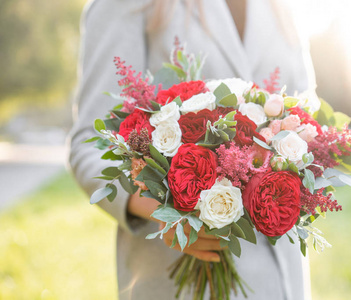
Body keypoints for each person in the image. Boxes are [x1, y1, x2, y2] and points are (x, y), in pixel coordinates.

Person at [69, 0, 316, 299]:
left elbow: (307, 118)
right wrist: (169, 214)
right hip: (177, 277)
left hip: (280, 280)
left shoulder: (283, 8)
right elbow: (90, 143)